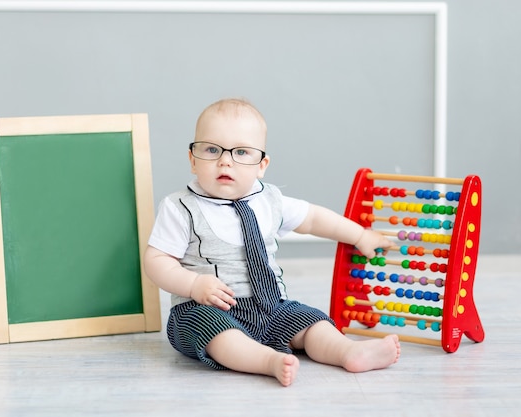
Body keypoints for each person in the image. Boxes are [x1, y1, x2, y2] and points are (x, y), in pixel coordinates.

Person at [144, 98, 400, 387]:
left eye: (241, 152)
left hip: (270, 306)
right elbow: (156, 260)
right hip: (205, 309)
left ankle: (348, 351)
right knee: (216, 332)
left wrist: (360, 235)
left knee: (310, 320)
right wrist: (193, 285)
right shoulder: (180, 207)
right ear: (193, 159)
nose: (225, 160)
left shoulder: (269, 200)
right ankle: (267, 361)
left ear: (261, 165)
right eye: (212, 150)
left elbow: (314, 219)